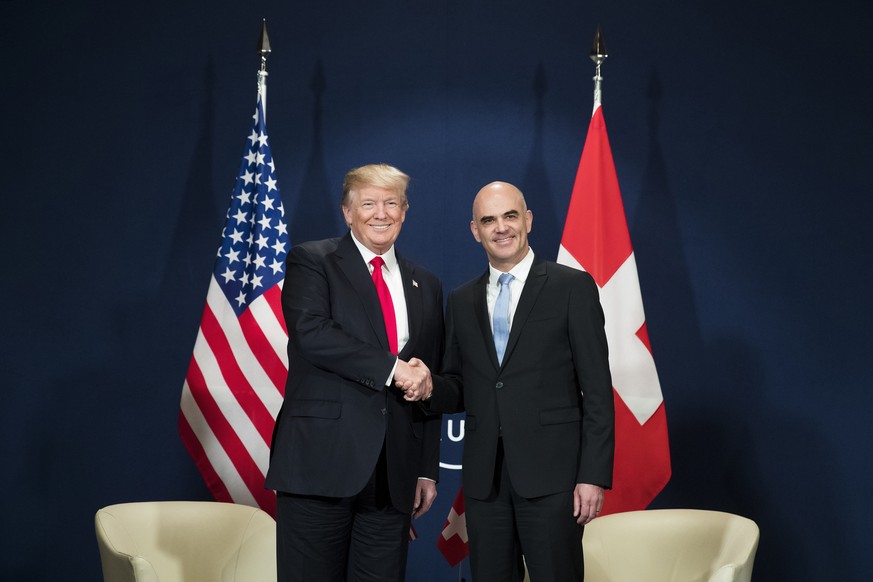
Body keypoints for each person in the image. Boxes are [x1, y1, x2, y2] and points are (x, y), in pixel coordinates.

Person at [402, 181, 614, 581]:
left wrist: (593, 475)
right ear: (474, 230)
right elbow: (458, 384)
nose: (501, 227)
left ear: (528, 220)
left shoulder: (572, 287)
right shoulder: (462, 300)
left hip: (554, 480)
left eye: (510, 216)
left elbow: (598, 391)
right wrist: (427, 384)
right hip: (486, 483)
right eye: (489, 220)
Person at [265, 164, 444, 582]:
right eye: (368, 203)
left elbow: (427, 377)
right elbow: (313, 334)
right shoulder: (313, 261)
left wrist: (425, 468)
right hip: (320, 465)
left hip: (392, 476)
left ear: (405, 211)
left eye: (391, 203)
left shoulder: (427, 284)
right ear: (348, 212)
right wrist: (392, 368)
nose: (380, 213)